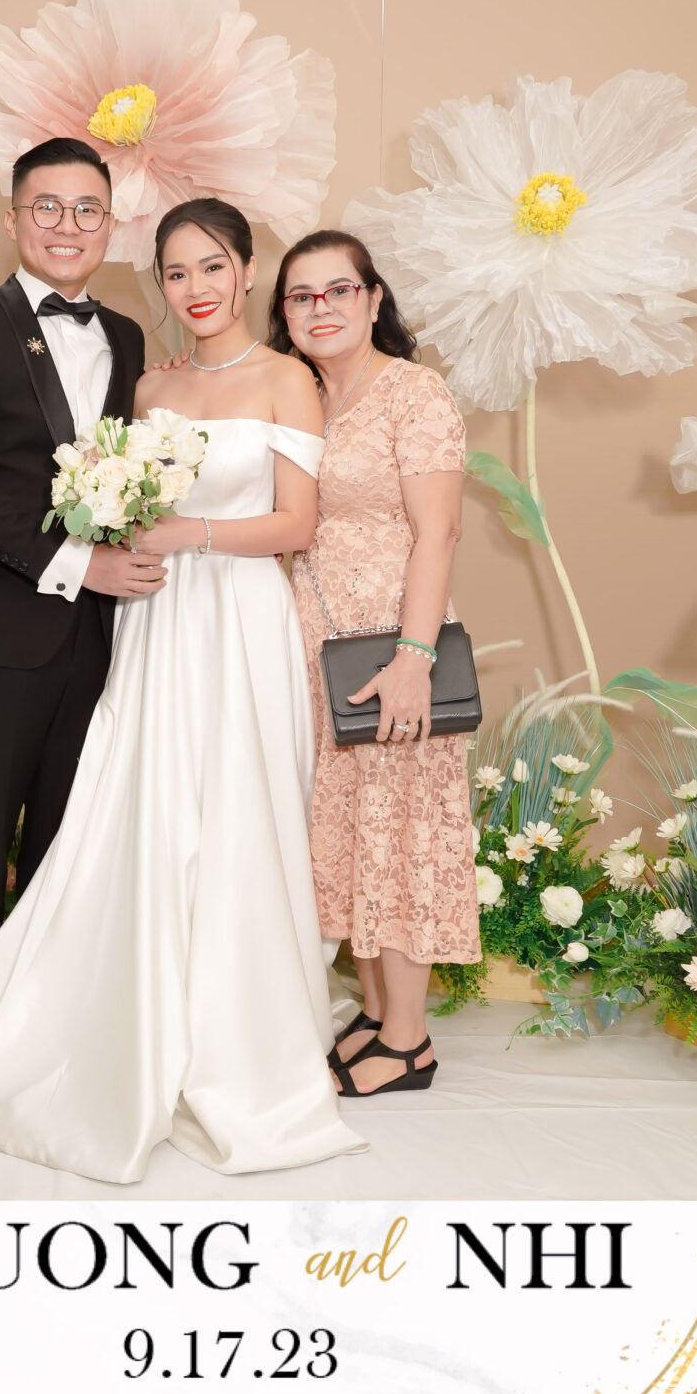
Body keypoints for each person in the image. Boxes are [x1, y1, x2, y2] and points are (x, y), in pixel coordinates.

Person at [0, 199, 367, 1182]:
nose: (195, 288)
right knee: (144, 809)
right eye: (175, 272)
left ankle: (238, 1036)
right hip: (151, 620)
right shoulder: (148, 384)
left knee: (239, 811)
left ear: (247, 272)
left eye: (212, 267)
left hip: (239, 621)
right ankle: (127, 1012)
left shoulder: (288, 378)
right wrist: (116, 528)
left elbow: (297, 524)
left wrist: (187, 534)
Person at [0, 137, 154, 999]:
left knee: (68, 820)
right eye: (46, 206)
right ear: (14, 218)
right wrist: (76, 564)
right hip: (4, 624)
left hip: (101, 631)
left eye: (87, 209)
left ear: (110, 225)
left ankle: (45, 1003)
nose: (67, 224)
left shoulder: (127, 335)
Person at [271, 230, 474, 1096]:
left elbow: (440, 531)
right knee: (354, 835)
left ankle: (408, 1041)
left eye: (338, 290)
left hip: (391, 646)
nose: (321, 308)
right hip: (313, 648)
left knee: (400, 835)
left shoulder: (413, 393)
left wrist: (413, 658)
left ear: (374, 298)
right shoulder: (299, 392)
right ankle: (380, 1012)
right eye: (301, 295)